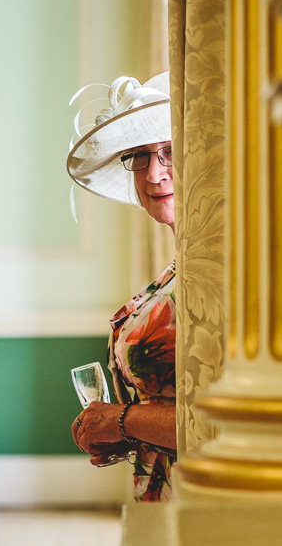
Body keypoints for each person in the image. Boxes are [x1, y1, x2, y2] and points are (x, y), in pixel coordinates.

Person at [66, 72, 177, 502]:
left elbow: (219, 419)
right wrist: (124, 432)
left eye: (169, 152)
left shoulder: (221, 270)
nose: (154, 174)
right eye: (140, 156)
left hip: (203, 498)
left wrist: (121, 420)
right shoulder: (176, 270)